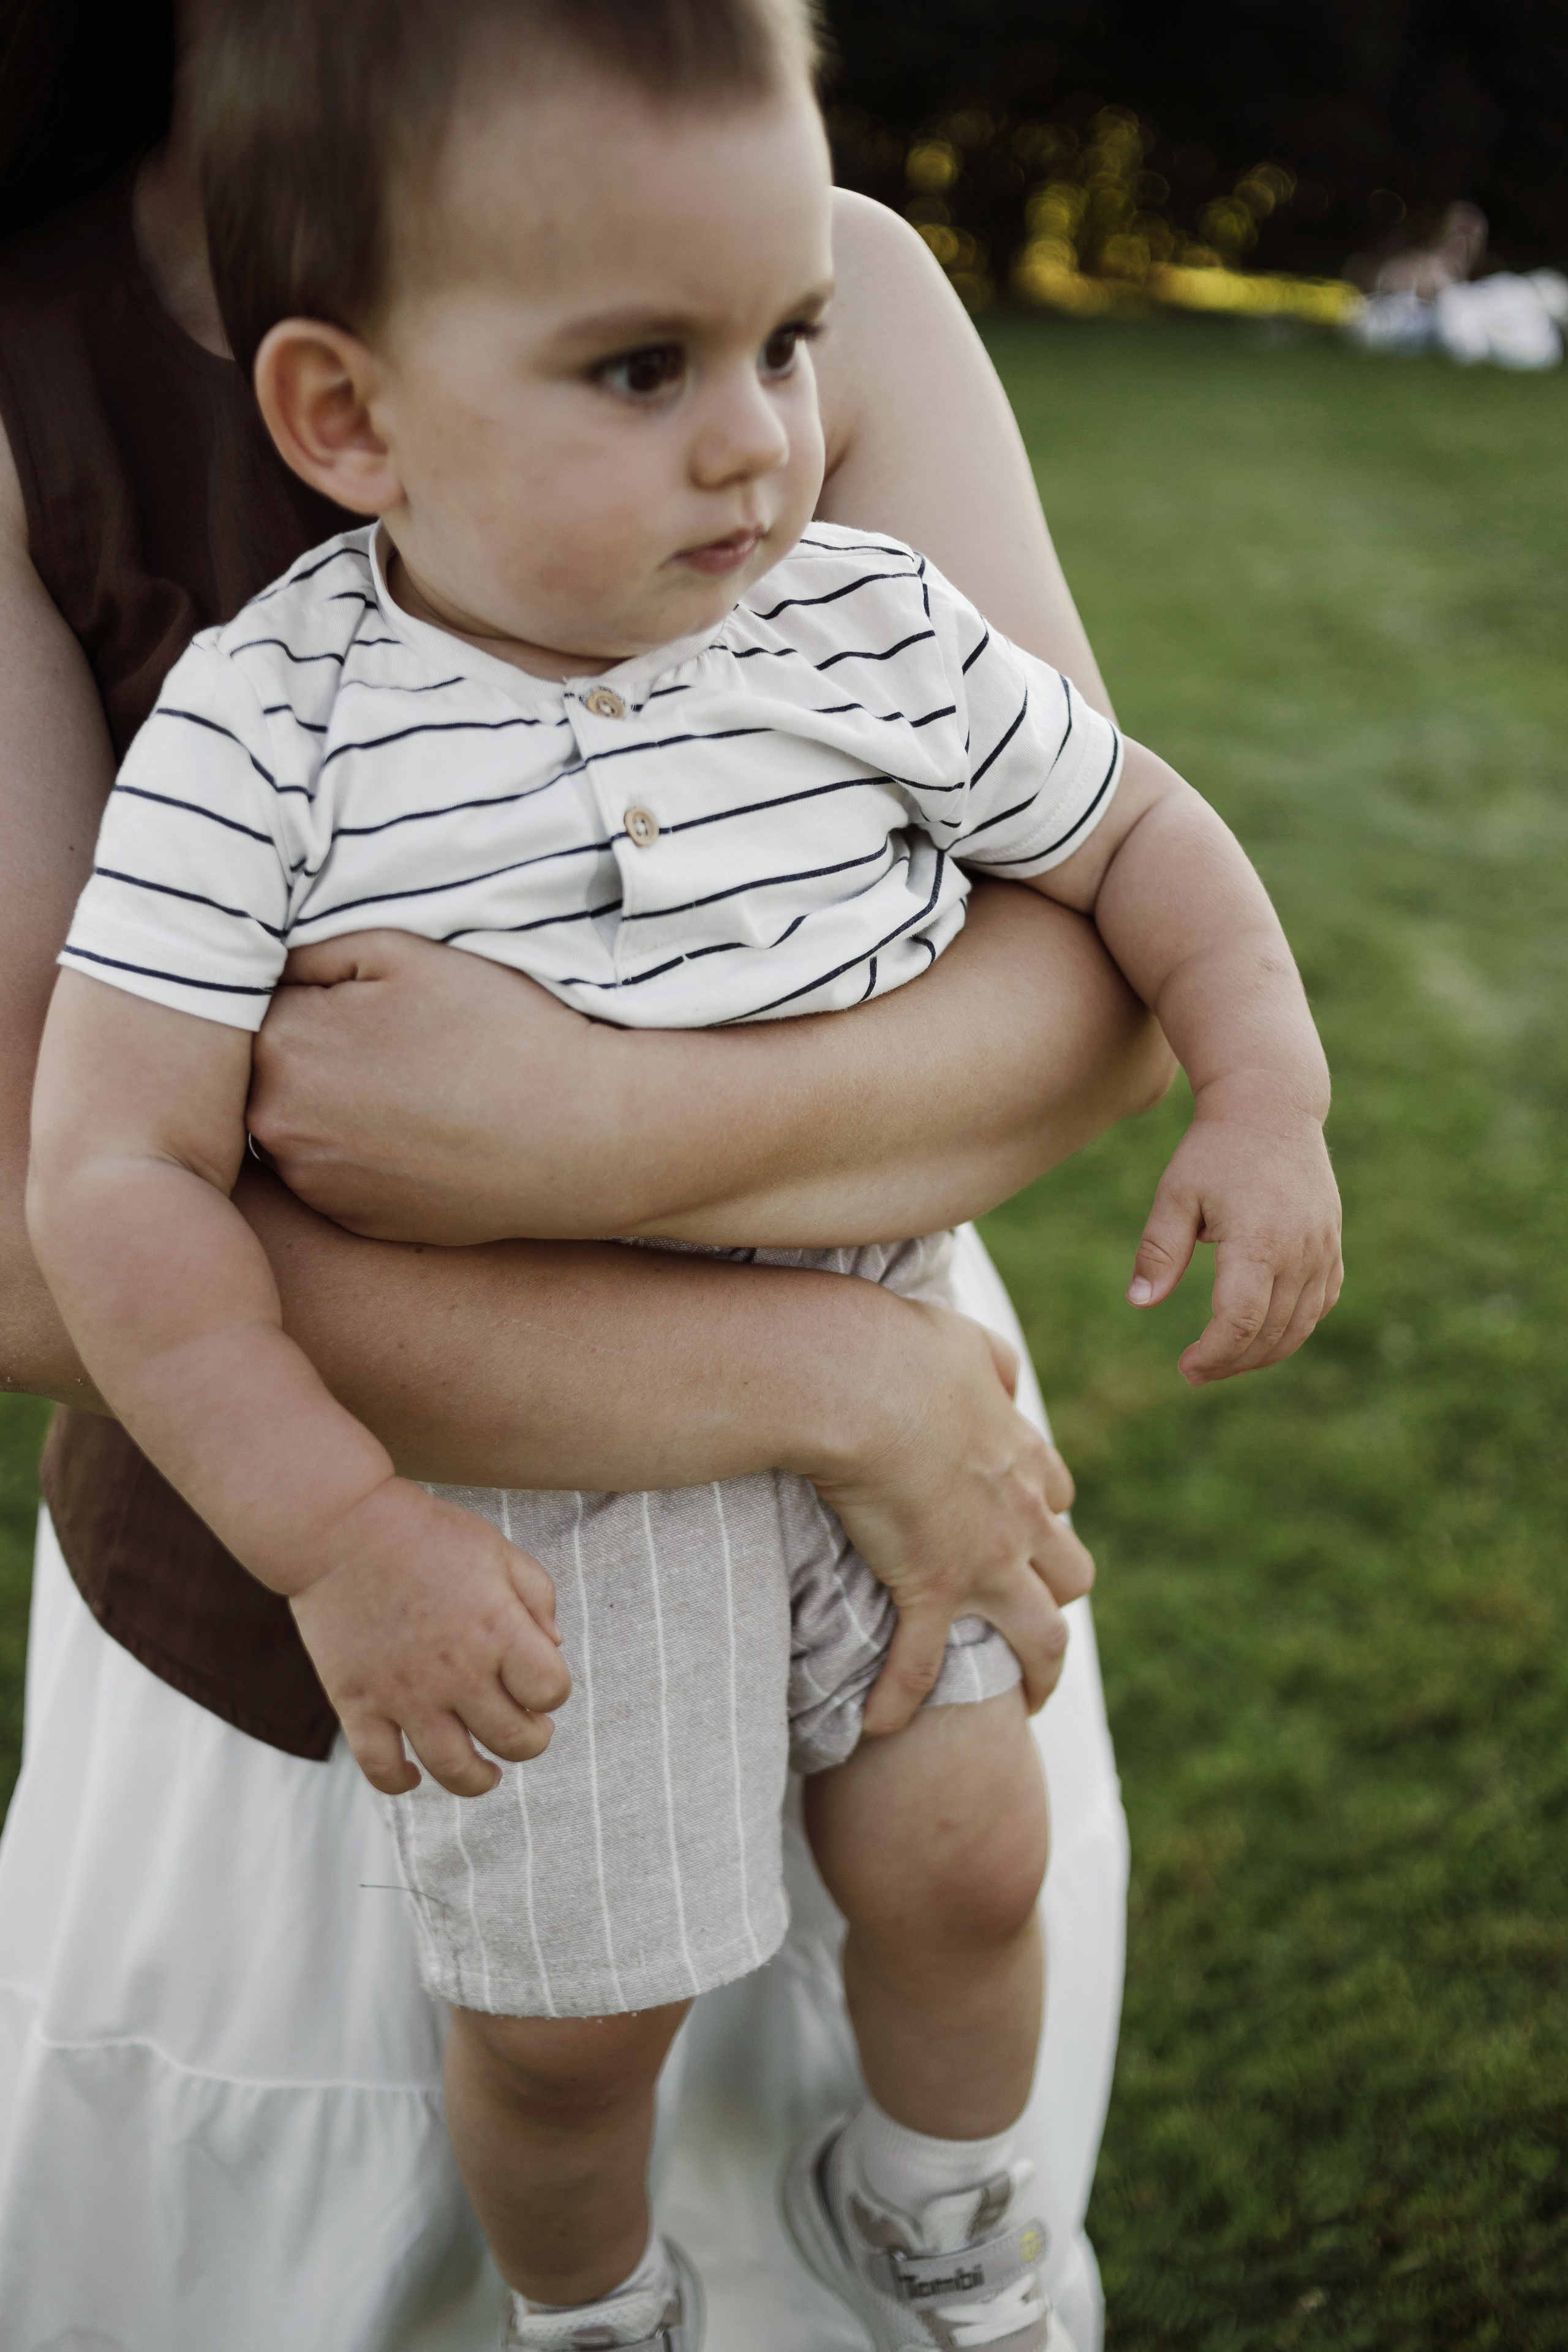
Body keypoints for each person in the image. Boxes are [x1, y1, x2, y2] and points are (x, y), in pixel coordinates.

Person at [23, 4, 1341, 2350]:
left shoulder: (854, 611)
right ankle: (597, 2305)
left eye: (787, 344)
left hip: (910, 1394)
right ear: (346, 419)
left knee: (967, 1861)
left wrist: (1266, 1093)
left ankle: (948, 2222)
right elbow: (93, 1181)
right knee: (575, 2017)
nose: (760, 439)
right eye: (648, 370)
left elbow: (1128, 841)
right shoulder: (263, 724)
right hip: (499, 1505)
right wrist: (337, 1533)